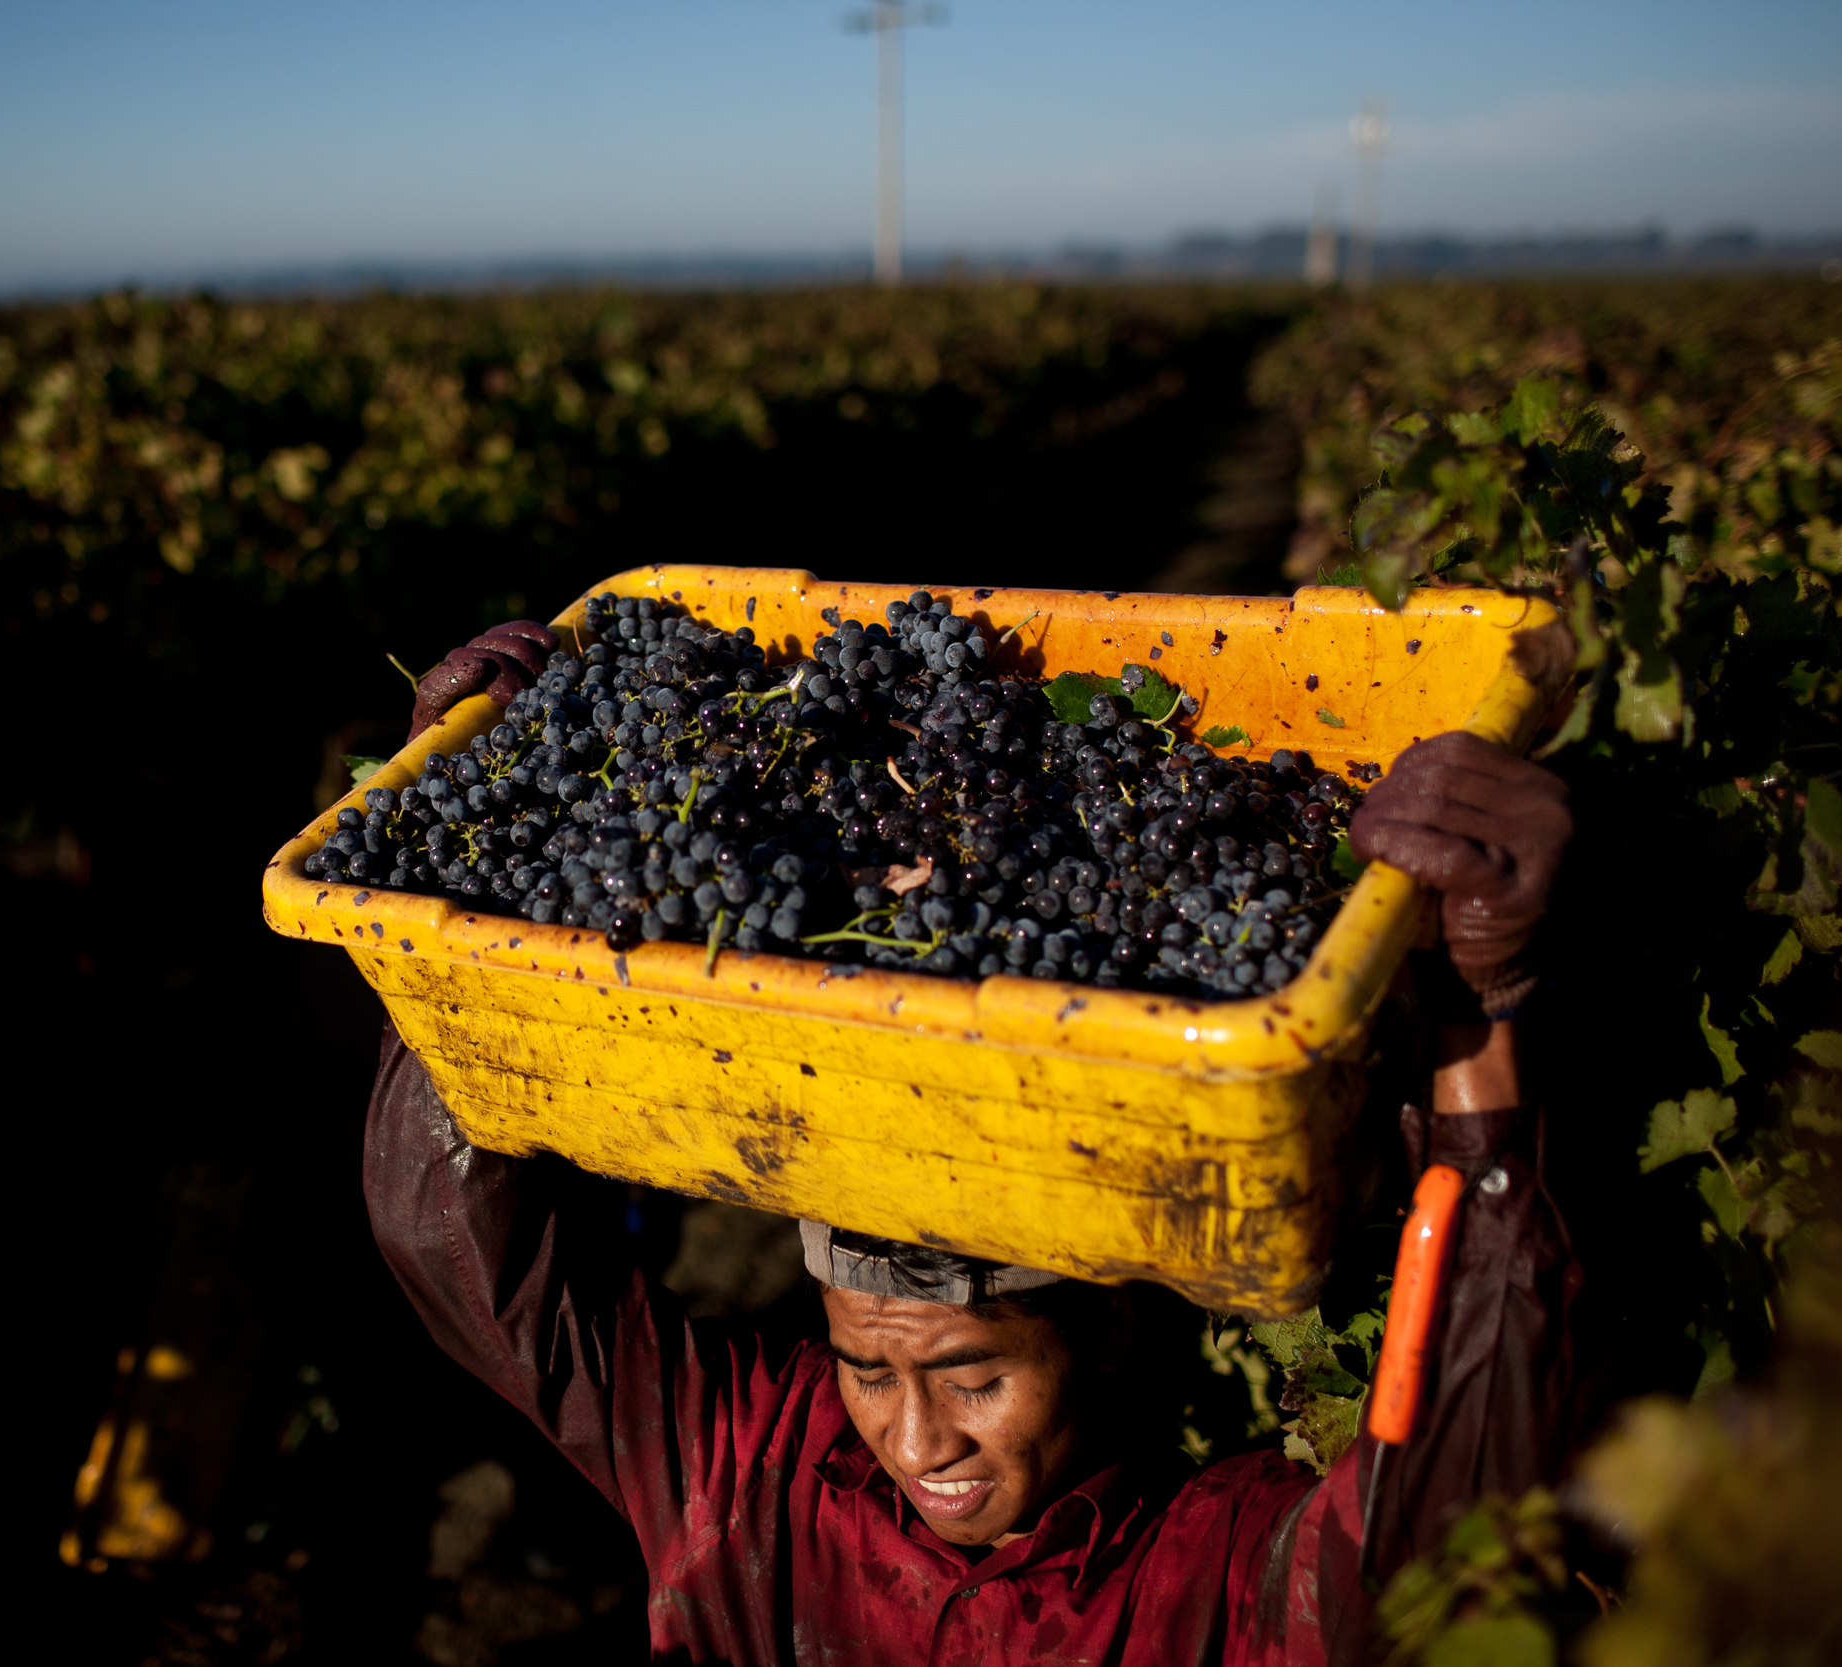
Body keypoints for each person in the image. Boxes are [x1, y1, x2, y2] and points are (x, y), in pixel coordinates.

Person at [365, 623, 1577, 1666]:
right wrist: (457, 873)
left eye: (972, 1376)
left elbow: (1439, 1532)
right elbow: (465, 1257)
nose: (914, 1441)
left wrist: (1483, 1021)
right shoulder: (750, 1478)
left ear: (1102, 1326)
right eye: (865, 1370)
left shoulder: (1214, 1571)